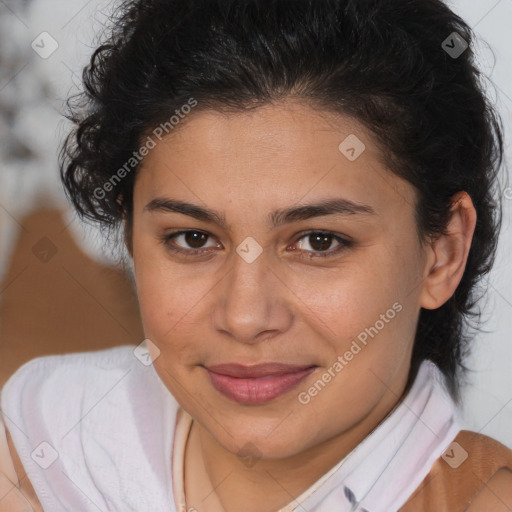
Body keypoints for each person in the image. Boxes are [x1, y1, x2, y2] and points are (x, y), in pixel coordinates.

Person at [1, 0, 511, 510]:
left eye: (318, 241)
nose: (244, 317)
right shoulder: (37, 450)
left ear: (442, 253)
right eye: (193, 239)